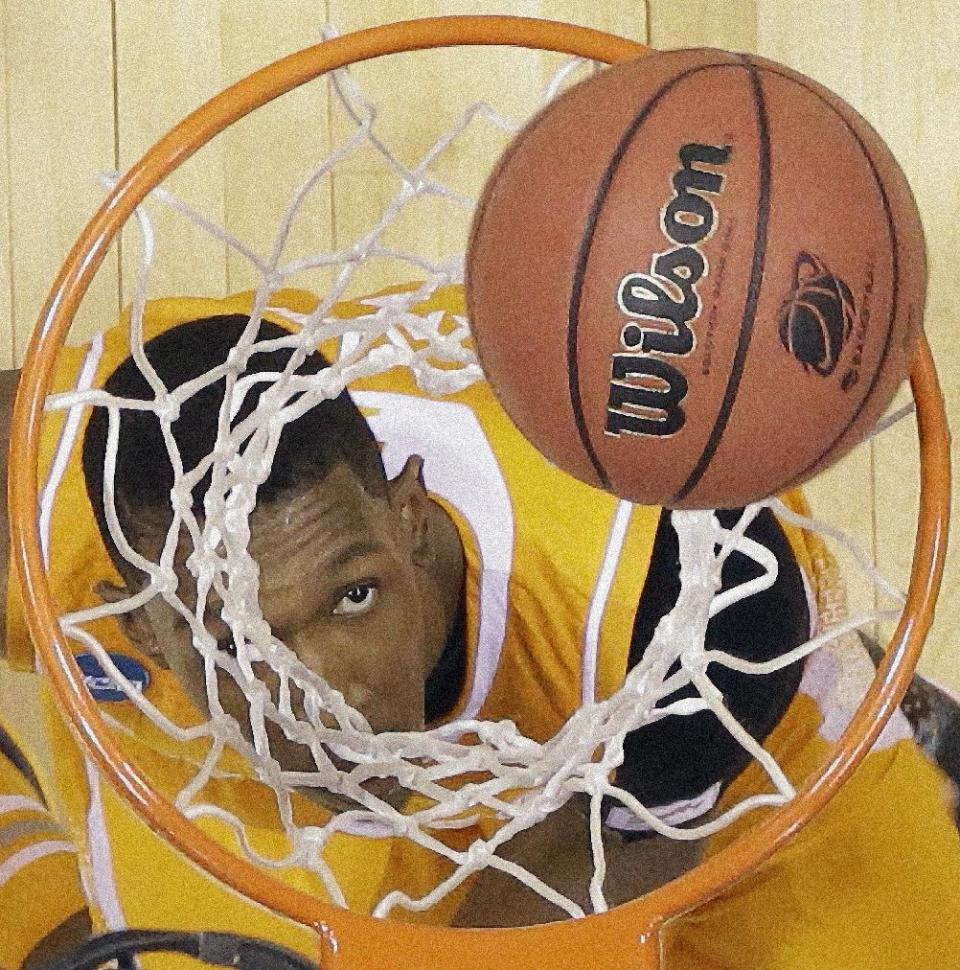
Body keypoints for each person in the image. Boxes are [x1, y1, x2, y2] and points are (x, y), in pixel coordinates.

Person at [0, 285, 958, 968]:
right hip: (303, 782)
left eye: (352, 598)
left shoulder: (673, 594)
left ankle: (891, 712)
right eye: (233, 647)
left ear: (410, 521)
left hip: (722, 760)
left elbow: (573, 889)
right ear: (144, 625)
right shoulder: (64, 510)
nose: (320, 702)